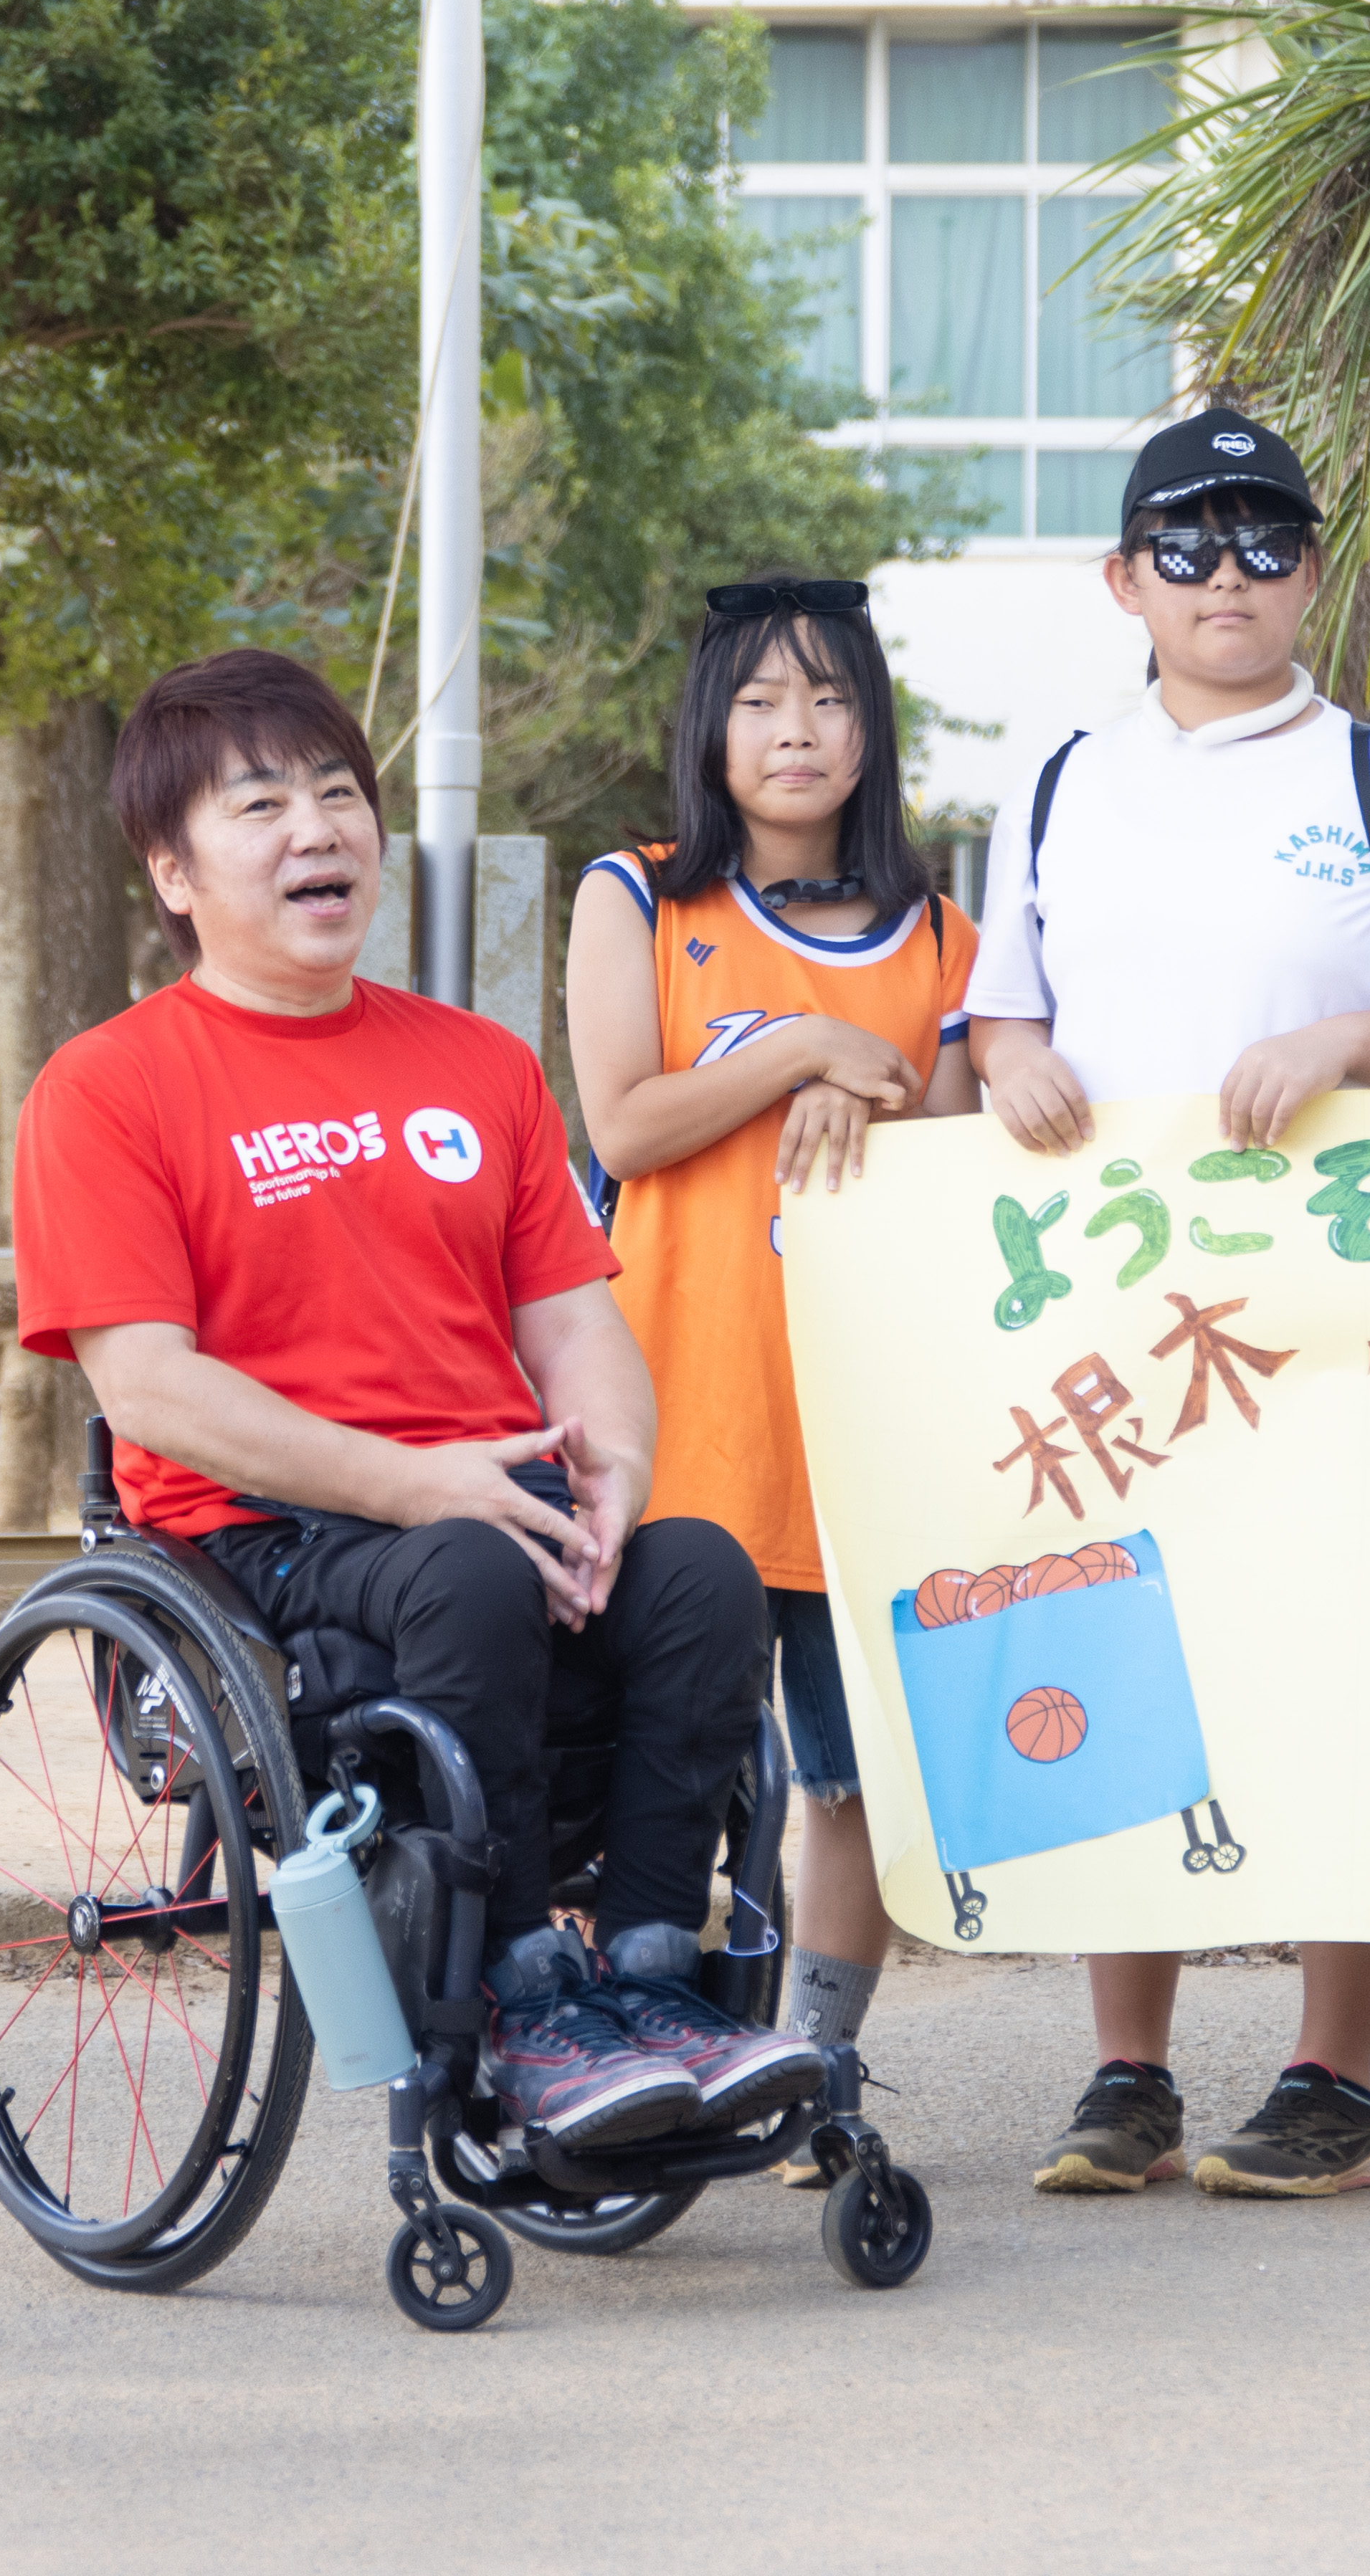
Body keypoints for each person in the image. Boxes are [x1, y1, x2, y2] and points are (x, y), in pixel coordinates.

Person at [16, 648, 824, 2147]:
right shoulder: (107, 1087)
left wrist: (615, 1483)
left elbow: (576, 1324)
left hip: (488, 1509)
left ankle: (653, 1978)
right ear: (171, 868)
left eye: (338, 793)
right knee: (465, 1561)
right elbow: (150, 1389)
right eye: (260, 804)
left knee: (701, 1570)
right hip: (267, 1538)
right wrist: (429, 1485)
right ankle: (513, 1997)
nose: (317, 829)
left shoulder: (474, 1065)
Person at [967, 408, 1370, 2202]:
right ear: (1123, 577)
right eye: (1189, 546)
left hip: (1342, 1318)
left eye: (1268, 541)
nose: (1232, 578)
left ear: (1317, 566)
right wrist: (1016, 1061)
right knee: (1113, 1658)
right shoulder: (1059, 779)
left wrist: (1347, 1038)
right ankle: (1124, 2069)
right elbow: (1002, 1007)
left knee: (1340, 1668)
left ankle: (1334, 2077)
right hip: (1119, 1322)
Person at [561, 576, 969, 2172]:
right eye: (759, 701)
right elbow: (625, 1124)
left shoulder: (943, 936)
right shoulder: (639, 897)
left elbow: (953, 1152)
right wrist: (803, 1048)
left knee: (848, 1770)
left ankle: (814, 2057)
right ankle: (624, 2026)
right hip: (678, 1401)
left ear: (873, 730)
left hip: (865, 1426)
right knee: (655, 1743)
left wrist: (881, 1097)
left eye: (829, 700)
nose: (795, 732)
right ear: (709, 728)